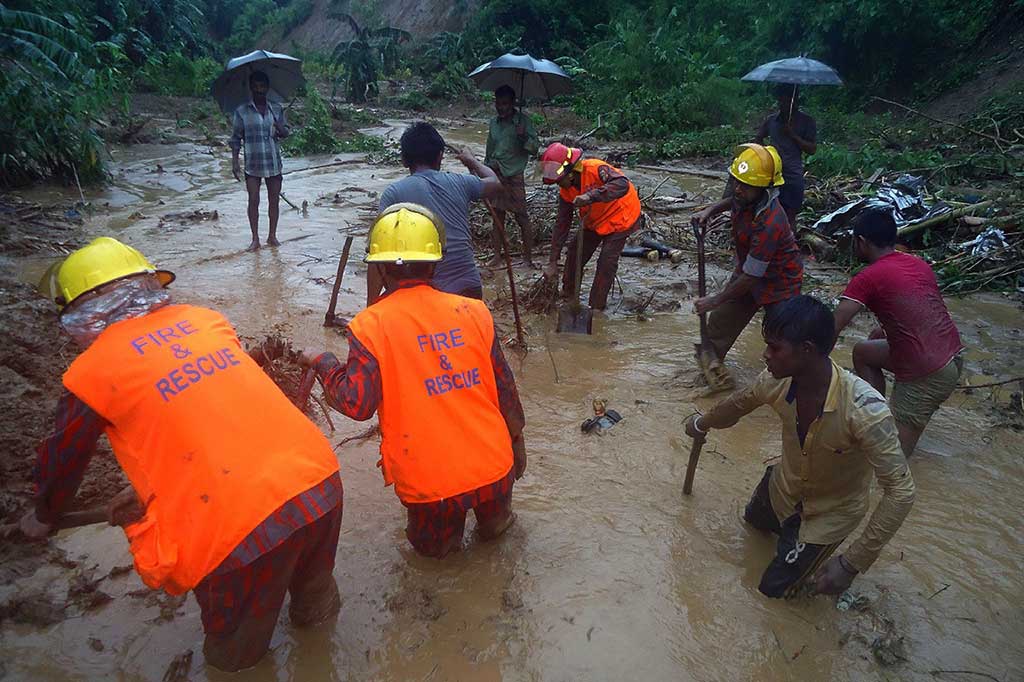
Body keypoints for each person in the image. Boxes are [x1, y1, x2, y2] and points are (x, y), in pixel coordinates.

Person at [21, 237, 342, 671]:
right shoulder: (206, 321)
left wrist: (43, 515)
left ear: (81, 313)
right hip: (320, 481)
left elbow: (65, 460)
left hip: (240, 527)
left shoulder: (91, 373)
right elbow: (211, 410)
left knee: (234, 661)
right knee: (316, 607)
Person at [301, 203, 527, 559]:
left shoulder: (370, 325)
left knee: (436, 557)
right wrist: (517, 443)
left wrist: (323, 362)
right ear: (436, 262)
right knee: (497, 537)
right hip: (495, 465)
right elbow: (505, 388)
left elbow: (356, 404)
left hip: (431, 484)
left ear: (380, 268)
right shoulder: (473, 311)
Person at [684, 295, 915, 598]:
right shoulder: (775, 381)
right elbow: (738, 405)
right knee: (752, 528)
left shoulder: (866, 412)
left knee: (773, 596)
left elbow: (901, 492)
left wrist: (851, 564)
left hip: (827, 516)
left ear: (806, 350)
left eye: (774, 347)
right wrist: (702, 423)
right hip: (781, 489)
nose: (765, 355)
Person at [833, 206, 964, 456]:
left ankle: (883, 435)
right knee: (864, 352)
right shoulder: (918, 264)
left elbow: (835, 325)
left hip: (926, 373)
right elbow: (923, 312)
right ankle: (874, 416)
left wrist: (810, 367)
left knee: (891, 458)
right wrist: (884, 330)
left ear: (861, 242)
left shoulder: (868, 277)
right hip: (952, 358)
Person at [691, 144, 804, 364]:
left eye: (745, 186)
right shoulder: (747, 196)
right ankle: (709, 369)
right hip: (748, 271)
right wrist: (710, 210)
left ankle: (784, 378)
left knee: (781, 338)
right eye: (736, 182)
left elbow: (752, 277)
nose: (738, 189)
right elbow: (733, 200)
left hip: (780, 284)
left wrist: (714, 300)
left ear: (764, 189)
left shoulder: (770, 223)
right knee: (719, 325)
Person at [371, 121, 502, 304]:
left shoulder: (394, 193)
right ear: (440, 156)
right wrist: (471, 160)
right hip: (469, 288)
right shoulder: (461, 182)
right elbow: (495, 182)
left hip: (428, 295)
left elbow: (378, 256)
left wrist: (371, 307)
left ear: (404, 160)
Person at [540, 142, 641, 310]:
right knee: (575, 252)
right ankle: (568, 295)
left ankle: (596, 307)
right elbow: (562, 224)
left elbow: (622, 184)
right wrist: (552, 261)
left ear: (570, 174)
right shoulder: (566, 191)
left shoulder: (595, 168)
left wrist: (590, 196)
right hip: (595, 219)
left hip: (621, 215)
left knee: (606, 261)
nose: (559, 185)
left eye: (559, 181)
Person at [229, 70, 290, 252]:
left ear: (267, 88)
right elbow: (235, 138)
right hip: (253, 164)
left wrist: (280, 127)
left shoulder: (276, 109)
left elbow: (285, 133)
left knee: (274, 200)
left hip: (273, 162)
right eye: (255, 86)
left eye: (262, 86)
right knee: (253, 199)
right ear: (251, 88)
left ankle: (272, 236)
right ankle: (255, 238)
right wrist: (235, 162)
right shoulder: (242, 111)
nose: (259, 90)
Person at [484, 84, 540, 268]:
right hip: (496, 172)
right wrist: (484, 169)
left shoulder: (523, 122)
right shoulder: (493, 123)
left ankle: (527, 259)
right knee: (497, 216)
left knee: (521, 216)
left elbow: (534, 149)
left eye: (505, 104)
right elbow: (490, 149)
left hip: (514, 174)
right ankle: (497, 256)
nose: (501, 107)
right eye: (498, 103)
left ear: (513, 103)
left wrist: (523, 137)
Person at [755, 84, 817, 228]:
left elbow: (812, 149)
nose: (784, 104)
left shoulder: (807, 121)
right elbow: (758, 138)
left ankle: (789, 239)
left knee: (790, 215)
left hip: (792, 174)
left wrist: (793, 135)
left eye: (788, 100)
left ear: (795, 101)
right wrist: (765, 155)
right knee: (767, 212)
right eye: (781, 100)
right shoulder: (772, 120)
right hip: (772, 173)